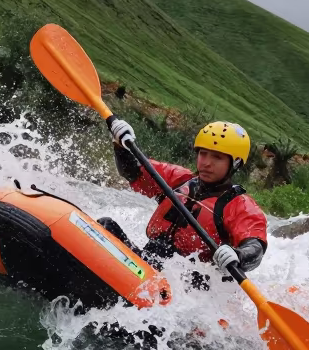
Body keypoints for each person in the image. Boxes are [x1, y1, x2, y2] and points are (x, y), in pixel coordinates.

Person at [97, 118, 268, 282]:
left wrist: (238, 255)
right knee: (104, 227)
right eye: (203, 154)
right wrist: (120, 145)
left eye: (217, 157)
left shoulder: (242, 206)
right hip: (145, 264)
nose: (206, 163)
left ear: (236, 163)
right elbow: (132, 171)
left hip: (185, 285)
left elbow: (255, 247)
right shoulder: (179, 179)